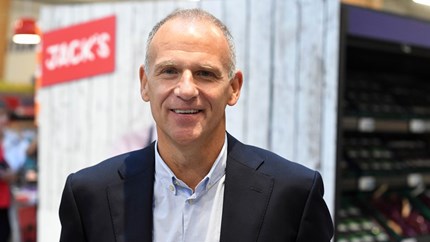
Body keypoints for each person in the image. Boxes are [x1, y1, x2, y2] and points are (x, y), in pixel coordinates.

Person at [59, 8, 333, 242]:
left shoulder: (294, 195)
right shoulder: (88, 196)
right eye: (169, 71)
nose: (186, 89)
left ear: (234, 88)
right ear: (145, 84)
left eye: (205, 73)